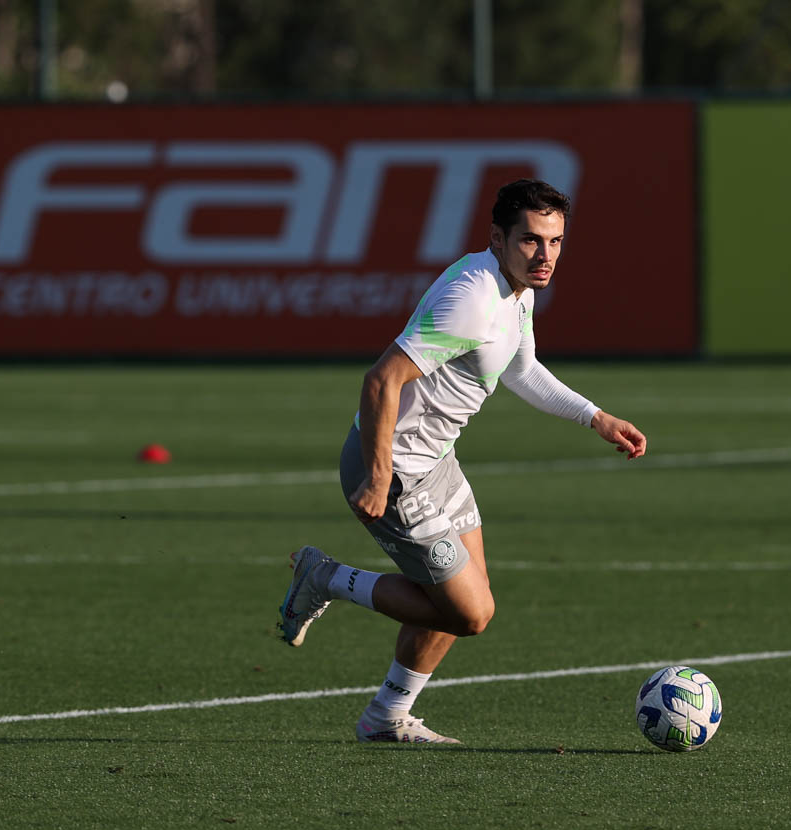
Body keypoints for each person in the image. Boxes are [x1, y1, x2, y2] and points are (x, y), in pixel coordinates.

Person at [277, 179, 648, 743]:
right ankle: (325, 577)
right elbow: (381, 380)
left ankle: (385, 716)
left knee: (455, 597)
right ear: (497, 238)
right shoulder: (473, 297)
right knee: (470, 614)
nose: (545, 255)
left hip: (436, 461)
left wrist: (595, 417)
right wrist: (379, 476)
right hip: (395, 467)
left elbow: (521, 369)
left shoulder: (518, 288)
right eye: (531, 240)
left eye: (555, 241)